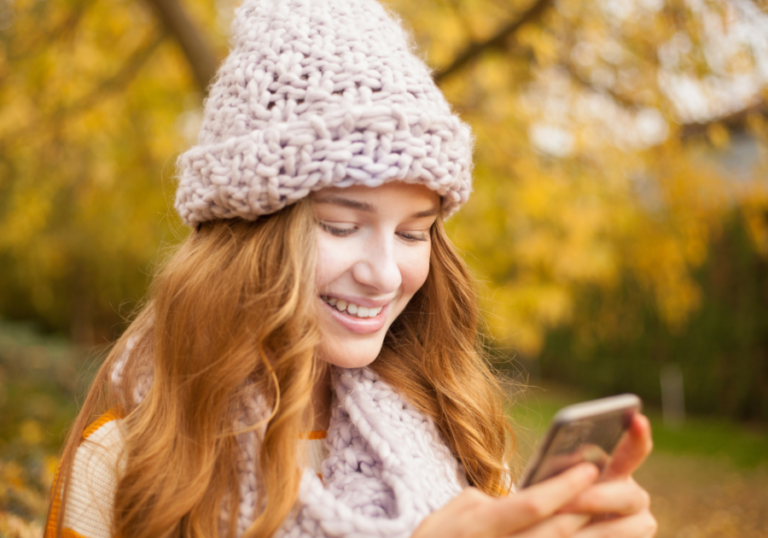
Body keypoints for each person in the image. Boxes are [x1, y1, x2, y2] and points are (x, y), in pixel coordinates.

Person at [45, 0, 657, 537]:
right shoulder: (129, 461)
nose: (386, 274)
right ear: (246, 235)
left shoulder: (454, 438)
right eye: (341, 226)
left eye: (414, 232)